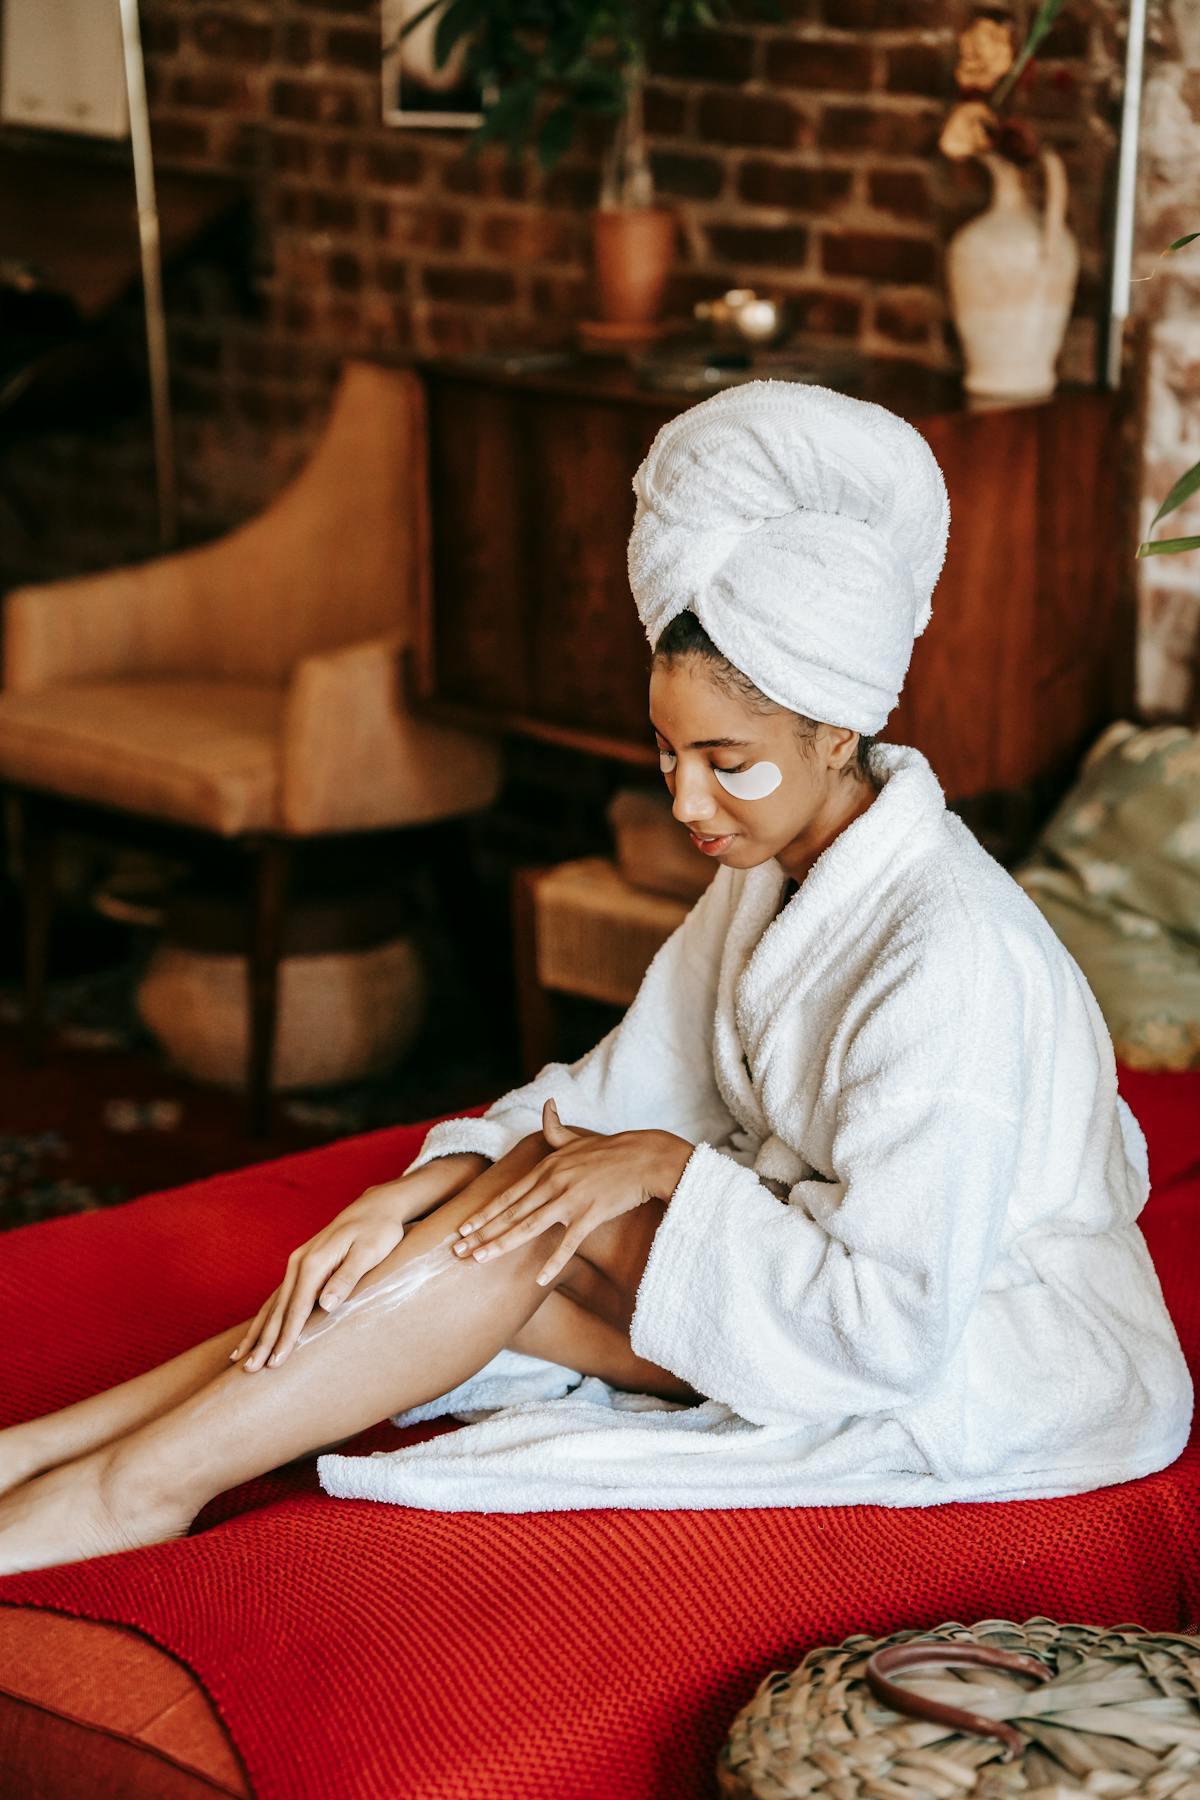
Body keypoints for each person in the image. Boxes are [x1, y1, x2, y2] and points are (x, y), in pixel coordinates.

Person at [0, 382, 1190, 1572]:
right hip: (818, 1291)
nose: (687, 803)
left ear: (837, 735)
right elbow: (615, 1094)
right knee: (512, 1211)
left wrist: (663, 1172)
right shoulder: (770, 872)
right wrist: (424, 1187)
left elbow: (888, 1325)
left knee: (531, 1220)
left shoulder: (947, 958)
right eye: (668, 754)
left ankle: (128, 1487)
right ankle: (77, 1448)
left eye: (728, 763)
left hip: (976, 1355)